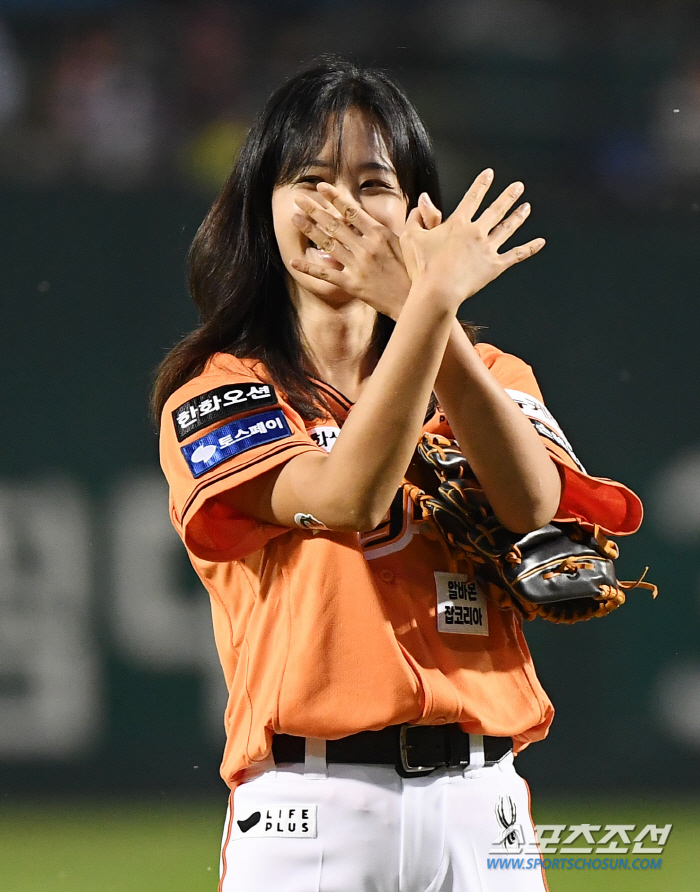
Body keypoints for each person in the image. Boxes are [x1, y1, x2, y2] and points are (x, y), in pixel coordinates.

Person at [153, 58, 643, 892]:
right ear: (260, 209)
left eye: (372, 182)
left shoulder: (489, 374)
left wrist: (429, 308)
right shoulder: (223, 389)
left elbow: (532, 504)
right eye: (308, 177)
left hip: (485, 807)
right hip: (313, 812)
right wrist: (427, 303)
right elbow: (348, 496)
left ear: (420, 212)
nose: (341, 206)